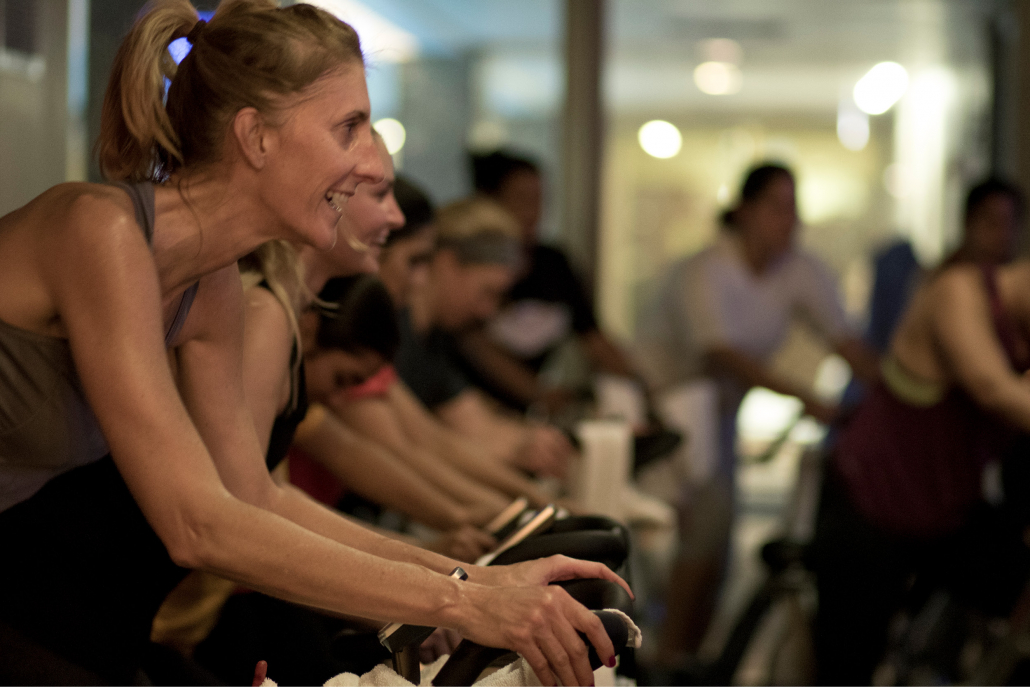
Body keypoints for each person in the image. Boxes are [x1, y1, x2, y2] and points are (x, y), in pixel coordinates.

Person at [0, 3, 626, 685]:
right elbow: (194, 524)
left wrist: (473, 577)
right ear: (256, 137)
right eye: (349, 128)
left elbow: (251, 498)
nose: (365, 165)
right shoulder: (101, 231)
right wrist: (468, 598)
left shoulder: (209, 288)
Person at [635, 163, 879, 665]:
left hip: (718, 416)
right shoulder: (704, 269)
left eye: (793, 208)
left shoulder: (799, 270)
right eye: (776, 206)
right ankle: (669, 658)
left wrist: (898, 393)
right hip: (665, 410)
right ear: (744, 210)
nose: (787, 220)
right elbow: (720, 352)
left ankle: (694, 657)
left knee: (721, 545)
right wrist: (807, 399)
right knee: (708, 523)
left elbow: (844, 339)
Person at [812, 256, 1030, 684]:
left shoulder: (1020, 336)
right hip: (871, 505)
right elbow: (993, 388)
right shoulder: (960, 290)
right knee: (848, 667)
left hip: (945, 513)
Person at [393, 194, 578, 480]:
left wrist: (531, 441)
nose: (488, 311)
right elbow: (418, 443)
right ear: (446, 262)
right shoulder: (395, 334)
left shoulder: (436, 340)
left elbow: (473, 423)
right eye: (487, 291)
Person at [458, 150, 644, 415]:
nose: (533, 212)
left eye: (541, 200)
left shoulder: (554, 264)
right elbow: (473, 342)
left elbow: (593, 337)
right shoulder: (470, 261)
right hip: (477, 409)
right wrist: (540, 394)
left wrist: (639, 387)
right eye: (522, 199)